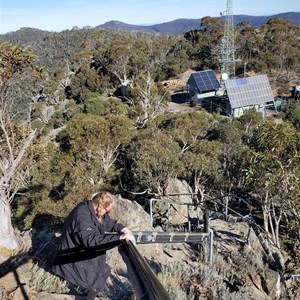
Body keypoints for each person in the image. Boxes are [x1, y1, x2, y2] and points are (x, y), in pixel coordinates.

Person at [52, 191, 133, 300]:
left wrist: (120, 228)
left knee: (103, 270)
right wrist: (118, 239)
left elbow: (106, 222)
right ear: (101, 206)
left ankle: (88, 296)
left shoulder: (92, 209)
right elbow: (91, 241)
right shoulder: (82, 216)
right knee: (98, 275)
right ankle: (88, 297)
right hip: (69, 259)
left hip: (80, 252)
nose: (107, 213)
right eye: (107, 210)